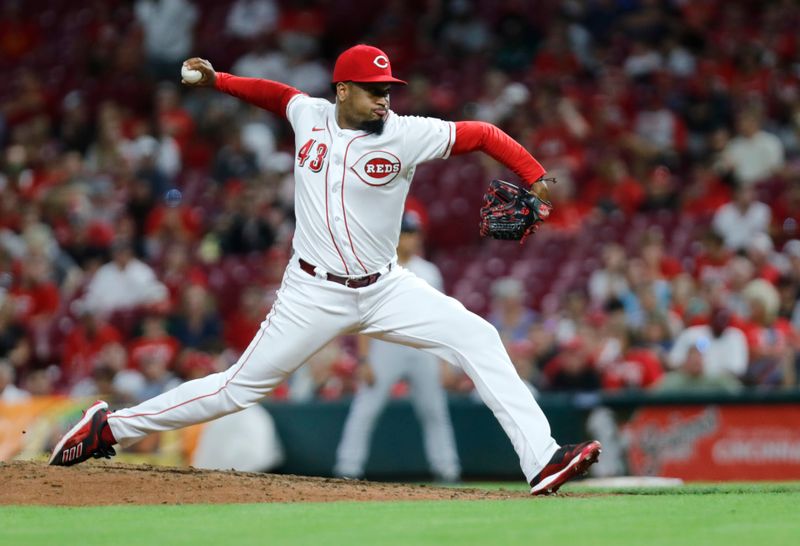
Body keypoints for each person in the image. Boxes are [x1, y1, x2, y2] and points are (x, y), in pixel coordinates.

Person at [48, 44, 601, 495]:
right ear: (342, 90)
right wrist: (217, 81)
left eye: (388, 90)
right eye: (373, 90)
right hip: (312, 291)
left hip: (386, 287)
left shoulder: (407, 134)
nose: (385, 99)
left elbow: (480, 133)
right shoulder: (309, 114)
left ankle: (543, 460)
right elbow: (274, 95)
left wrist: (535, 176)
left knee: (478, 335)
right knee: (237, 389)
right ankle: (109, 426)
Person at [334, 212, 461, 483]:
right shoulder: (378, 268)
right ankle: (347, 468)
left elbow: (440, 319)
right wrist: (365, 359)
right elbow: (364, 318)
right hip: (386, 344)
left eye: (413, 233)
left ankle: (447, 469)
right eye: (405, 233)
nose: (410, 239)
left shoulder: (429, 271)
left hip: (422, 346)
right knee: (366, 409)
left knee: (434, 410)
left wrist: (445, 361)